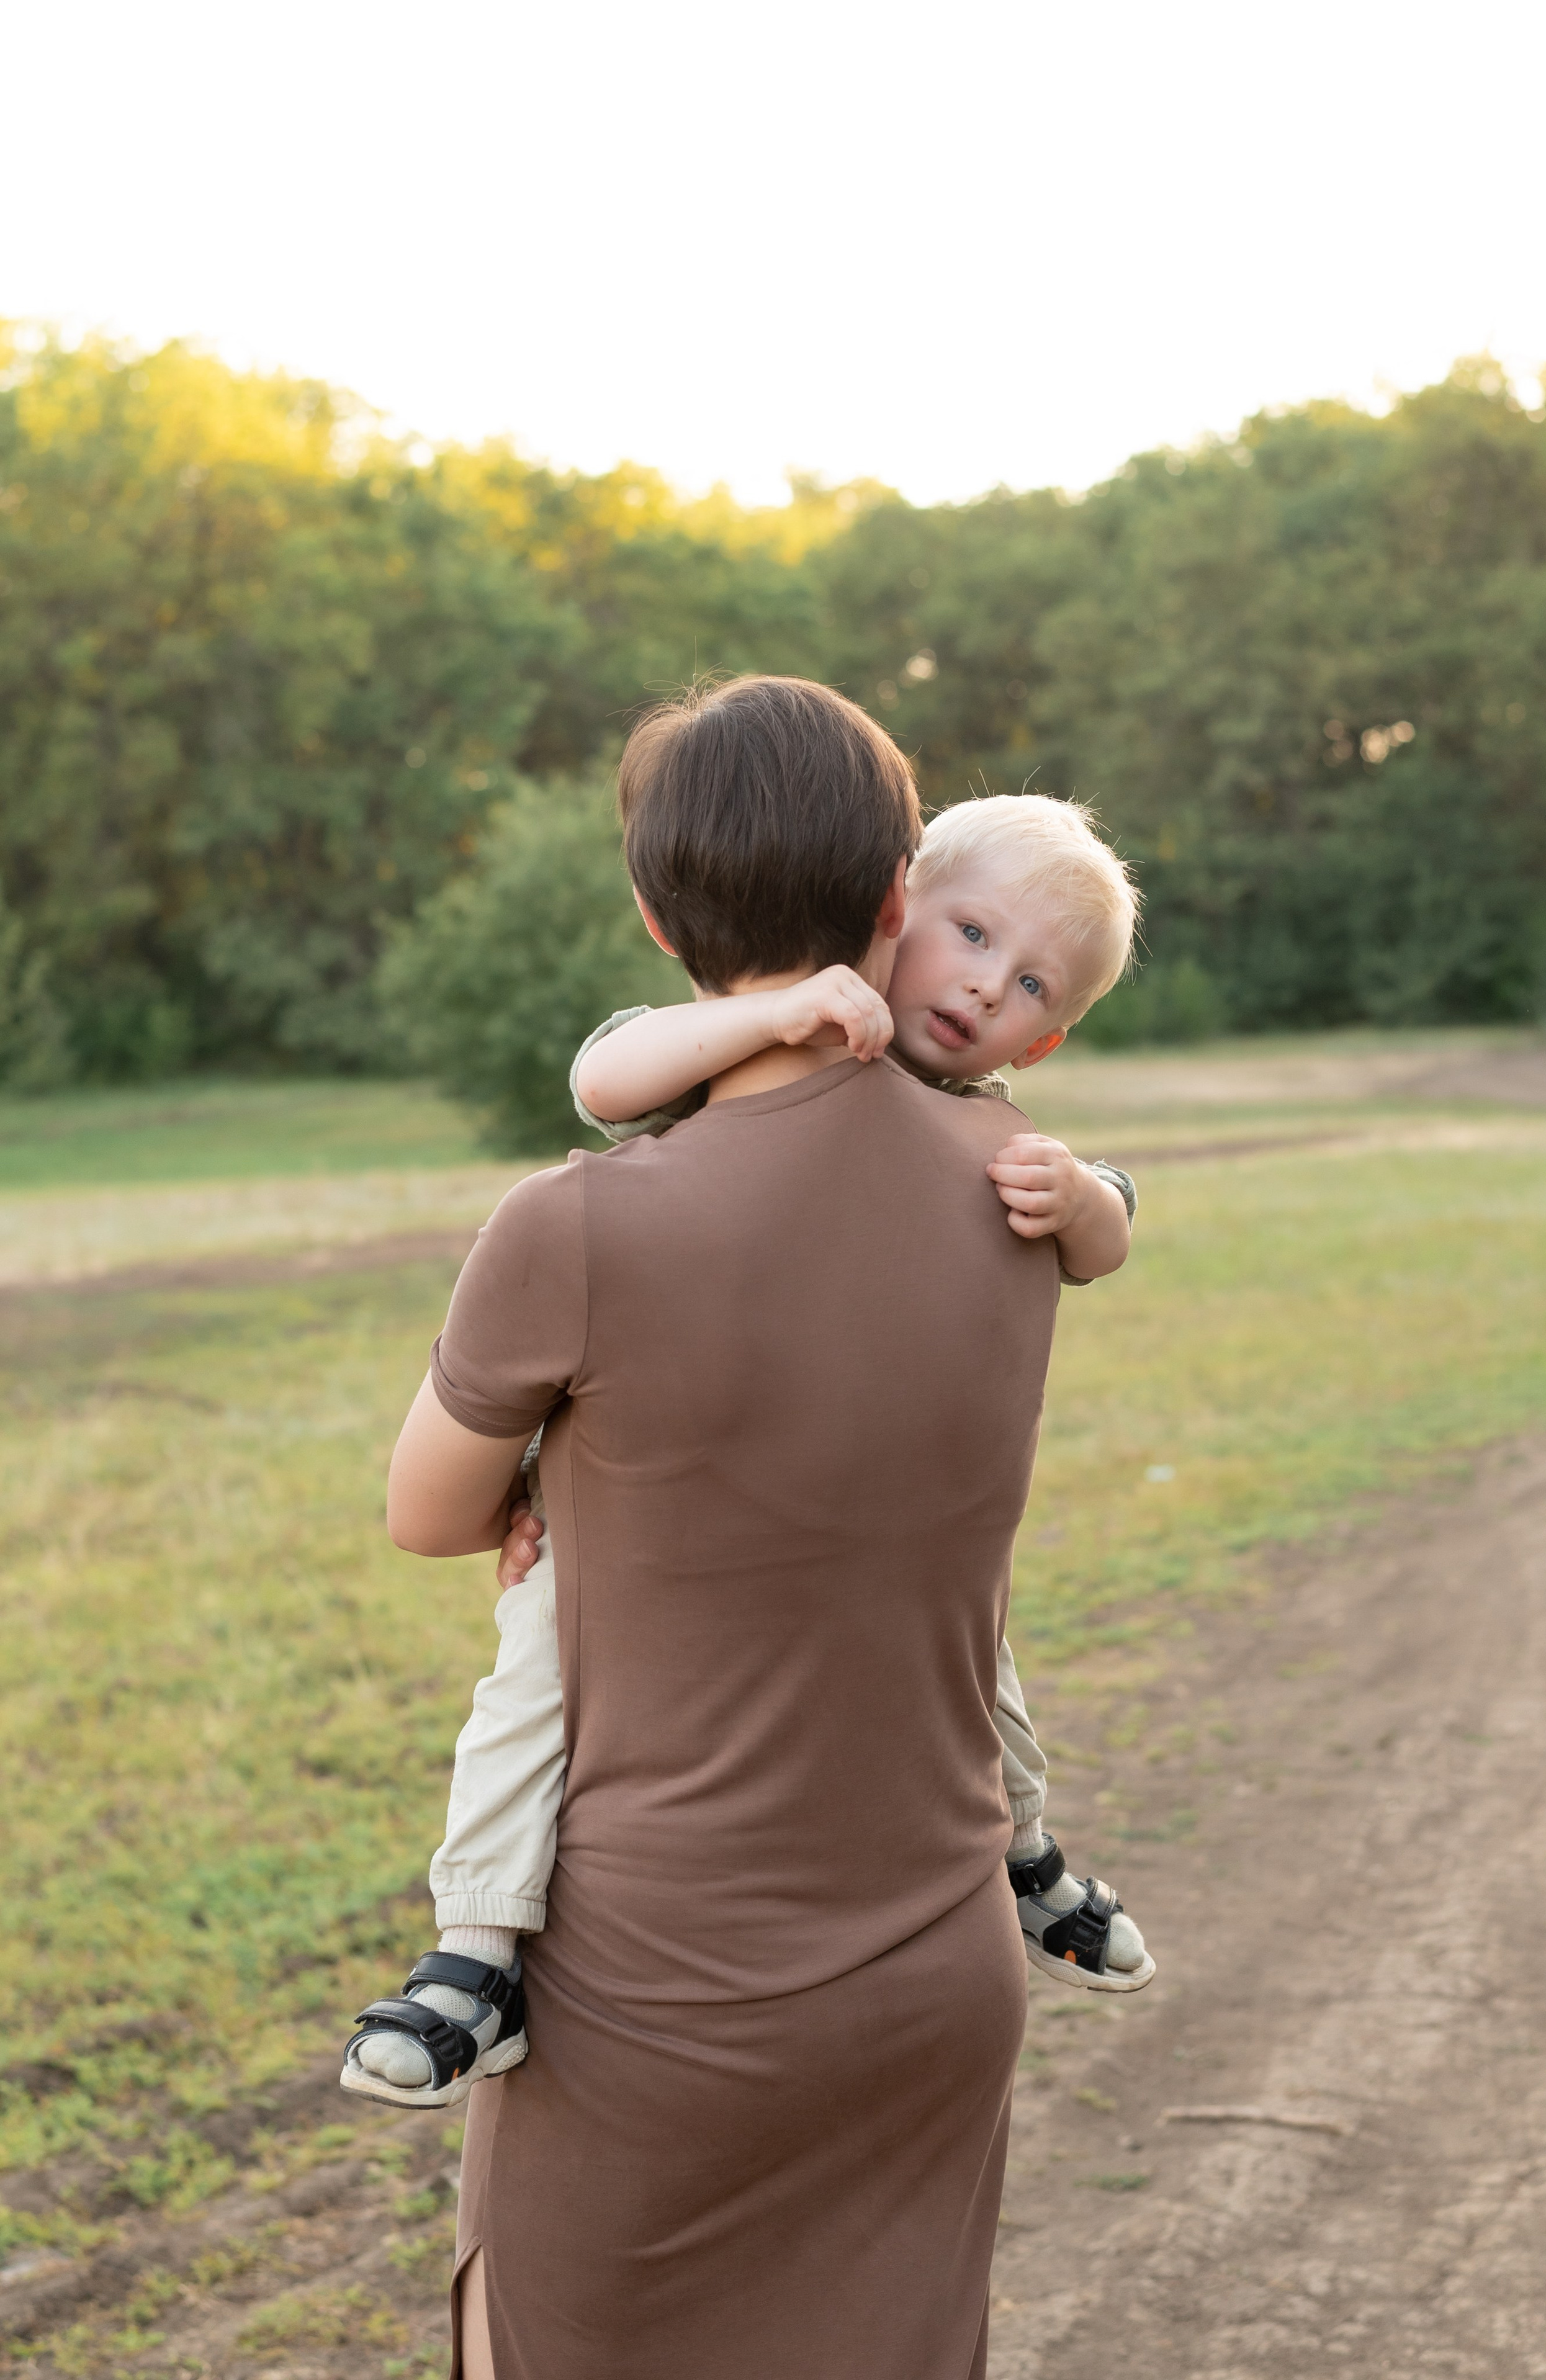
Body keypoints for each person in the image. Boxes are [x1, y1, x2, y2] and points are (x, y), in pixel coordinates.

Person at [370, 676, 1123, 2379]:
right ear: (896, 902)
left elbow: (428, 1513)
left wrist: (549, 1490)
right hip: (936, 1969)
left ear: (655, 917)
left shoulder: (574, 1224)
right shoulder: (1022, 1195)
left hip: (659, 1999)